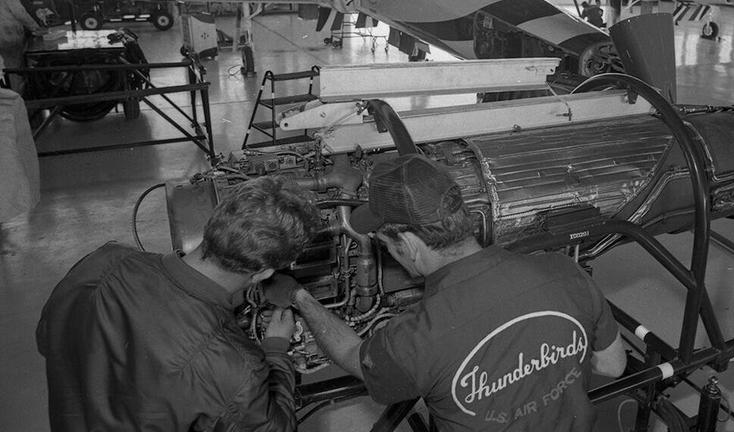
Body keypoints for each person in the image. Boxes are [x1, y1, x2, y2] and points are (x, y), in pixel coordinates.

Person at [279, 153, 627, 431]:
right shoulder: (564, 271)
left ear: (411, 243)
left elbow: (355, 356)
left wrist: (300, 297)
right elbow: (613, 365)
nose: (389, 254)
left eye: (387, 245)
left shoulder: (411, 339)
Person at [36, 176, 322, 431]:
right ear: (263, 272)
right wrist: (276, 352)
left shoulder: (103, 262)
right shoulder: (234, 367)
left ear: (213, 222)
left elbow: (47, 336)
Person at [0, 0, 44, 92]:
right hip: (9, 39)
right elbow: (21, 15)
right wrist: (36, 28)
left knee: (3, 68)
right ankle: (17, 95)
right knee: (13, 68)